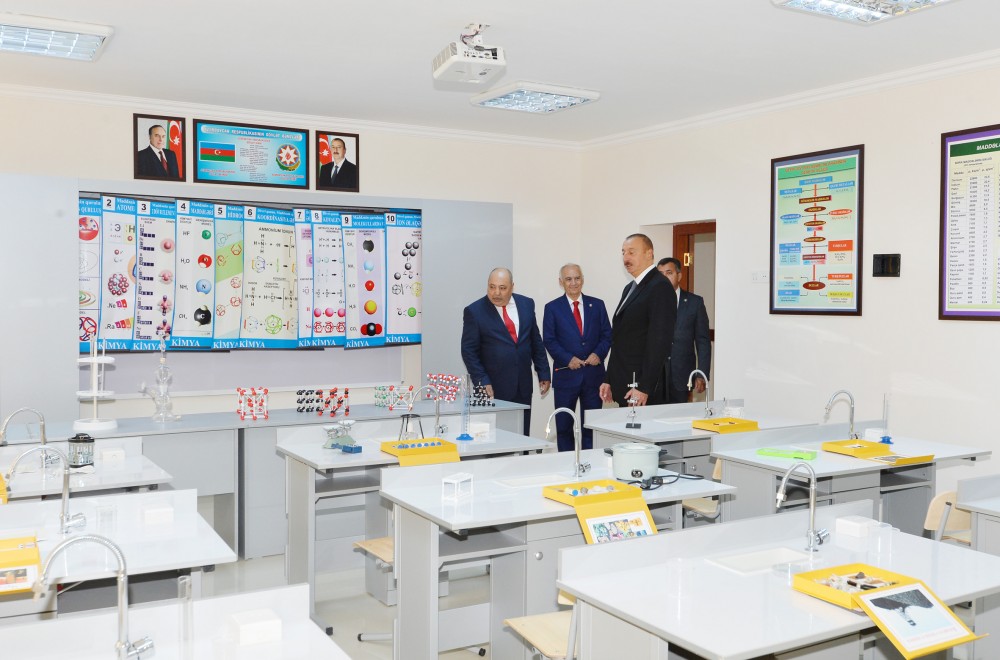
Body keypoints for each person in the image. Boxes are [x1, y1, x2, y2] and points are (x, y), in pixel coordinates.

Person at [461, 268, 551, 434]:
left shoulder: (526, 304)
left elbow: (535, 341)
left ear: (512, 287)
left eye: (502, 288)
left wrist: (543, 372)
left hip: (522, 385)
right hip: (491, 388)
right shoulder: (474, 311)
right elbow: (468, 351)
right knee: (494, 438)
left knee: (522, 435)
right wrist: (481, 380)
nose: (496, 293)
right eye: (492, 287)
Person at [599, 234, 676, 407]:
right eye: (623, 252)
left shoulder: (660, 286)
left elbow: (659, 342)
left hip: (641, 389)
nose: (626, 258)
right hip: (624, 382)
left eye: (631, 252)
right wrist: (609, 379)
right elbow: (619, 338)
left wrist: (644, 387)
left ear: (649, 254)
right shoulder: (630, 288)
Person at [542, 264, 612, 451]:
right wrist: (567, 359)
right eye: (568, 279)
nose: (573, 283)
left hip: (593, 377)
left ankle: (591, 464)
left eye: (577, 278)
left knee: (591, 428)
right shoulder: (552, 308)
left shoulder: (597, 305)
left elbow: (607, 335)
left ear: (583, 279)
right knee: (564, 429)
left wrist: (598, 353)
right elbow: (549, 340)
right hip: (566, 377)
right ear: (561, 282)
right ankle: (567, 464)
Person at [657, 257, 712, 404]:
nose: (664, 278)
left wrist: (702, 373)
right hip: (655, 375)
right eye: (660, 274)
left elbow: (703, 341)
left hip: (682, 375)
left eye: (669, 273)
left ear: (679, 275)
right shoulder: (650, 302)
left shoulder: (695, 302)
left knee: (680, 415)